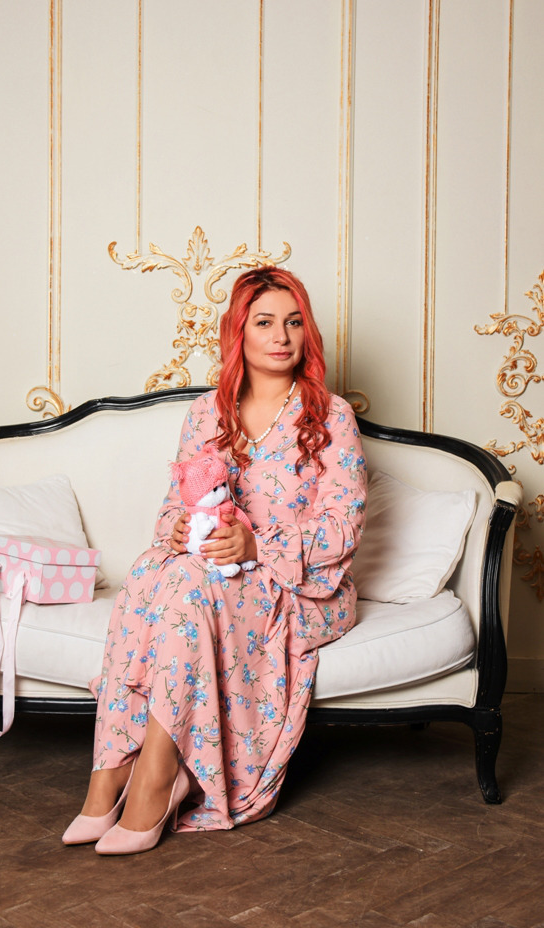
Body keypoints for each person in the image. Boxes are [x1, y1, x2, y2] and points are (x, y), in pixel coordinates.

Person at [62, 266, 367, 855]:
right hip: (211, 572)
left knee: (189, 587)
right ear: (239, 333)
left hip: (301, 588)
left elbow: (343, 529)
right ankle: (109, 774)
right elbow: (173, 507)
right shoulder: (207, 413)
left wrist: (257, 545)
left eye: (294, 322)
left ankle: (154, 781)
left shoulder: (331, 417)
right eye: (265, 322)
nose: (281, 336)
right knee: (152, 570)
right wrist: (179, 528)